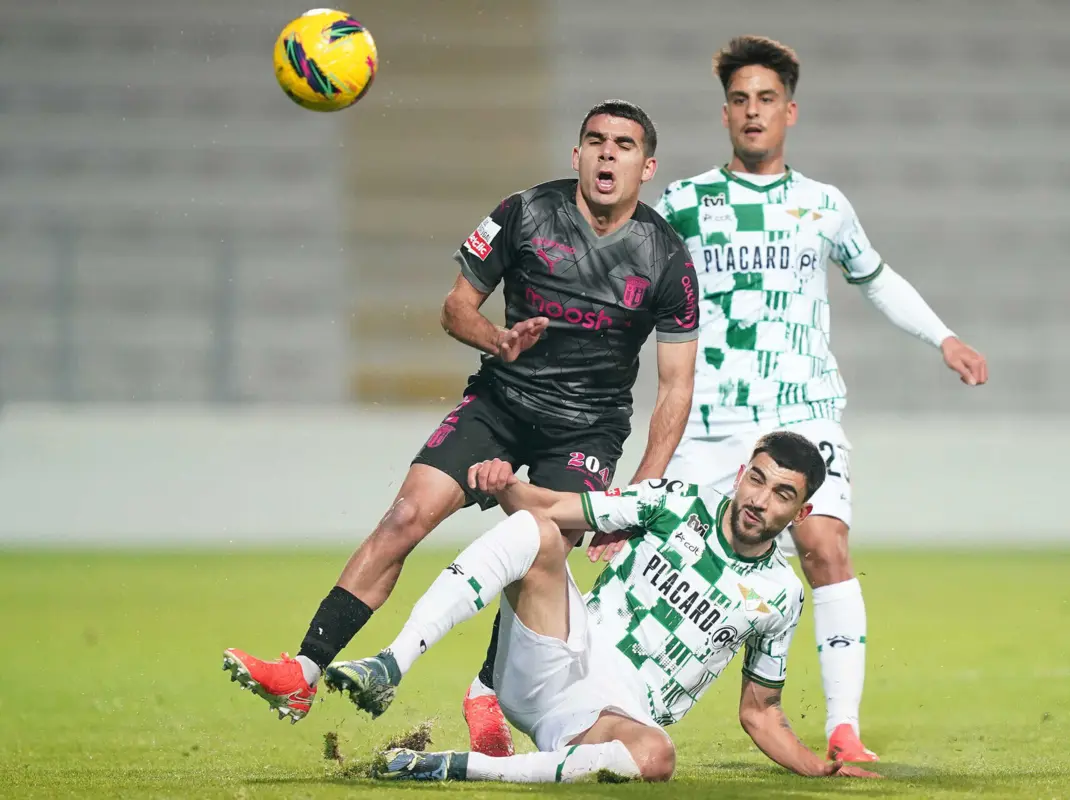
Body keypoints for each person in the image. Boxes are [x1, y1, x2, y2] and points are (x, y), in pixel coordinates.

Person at [221, 100, 699, 747]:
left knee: (541, 550)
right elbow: (454, 308)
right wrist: (497, 340)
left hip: (585, 432)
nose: (607, 153)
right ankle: (304, 670)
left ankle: (485, 693)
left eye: (623, 144)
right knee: (403, 517)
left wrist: (635, 498)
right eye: (595, 141)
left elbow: (676, 388)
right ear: (576, 154)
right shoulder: (525, 213)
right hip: (500, 403)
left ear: (648, 166)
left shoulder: (666, 258)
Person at [589, 36, 990, 763]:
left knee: (824, 546)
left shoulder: (823, 206)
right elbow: (633, 283)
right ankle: (530, 686)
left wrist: (945, 339)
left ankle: (844, 727)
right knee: (631, 545)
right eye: (740, 99)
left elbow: (876, 278)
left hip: (802, 406)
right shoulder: (685, 202)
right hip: (710, 414)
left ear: (790, 112)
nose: (752, 111)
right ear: (724, 114)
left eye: (766, 99)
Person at [324, 432, 880, 783]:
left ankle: (456, 768)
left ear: (802, 512)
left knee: (657, 758)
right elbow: (555, 507)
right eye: (756, 479)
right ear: (740, 476)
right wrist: (506, 485)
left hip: (609, 721)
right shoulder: (675, 502)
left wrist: (821, 766)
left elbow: (760, 711)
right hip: (560, 653)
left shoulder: (781, 596)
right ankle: (390, 663)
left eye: (782, 493)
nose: (759, 499)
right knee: (536, 529)